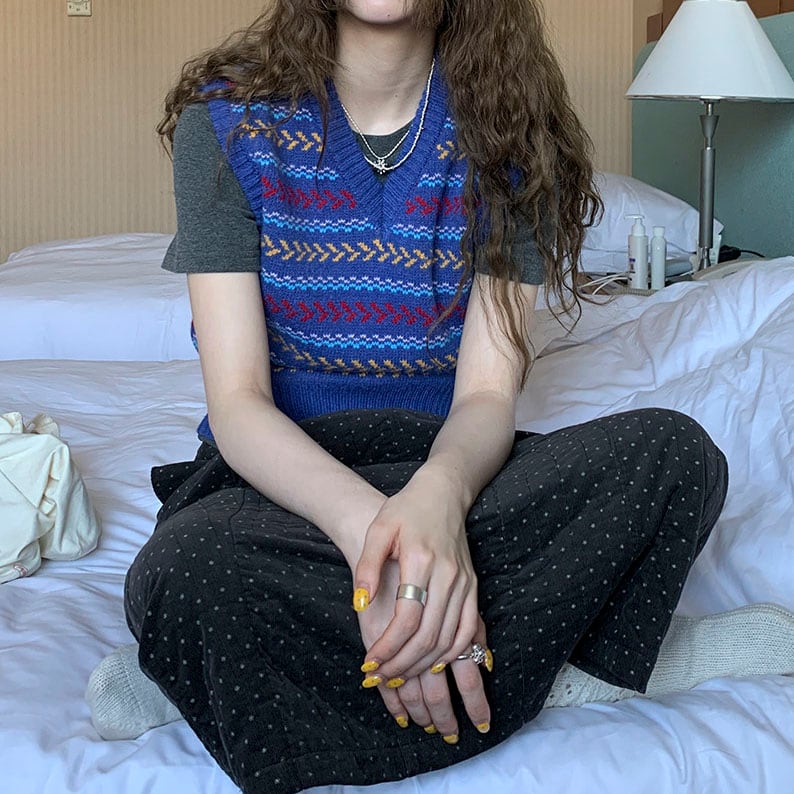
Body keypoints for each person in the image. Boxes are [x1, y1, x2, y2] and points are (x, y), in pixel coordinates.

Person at [85, 2, 794, 793]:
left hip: (445, 470)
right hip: (279, 483)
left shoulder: (513, 134)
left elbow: (487, 395)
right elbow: (239, 403)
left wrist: (437, 507)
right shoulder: (226, 123)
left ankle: (221, 674)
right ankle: (568, 664)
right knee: (186, 566)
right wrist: (380, 544)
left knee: (672, 455)